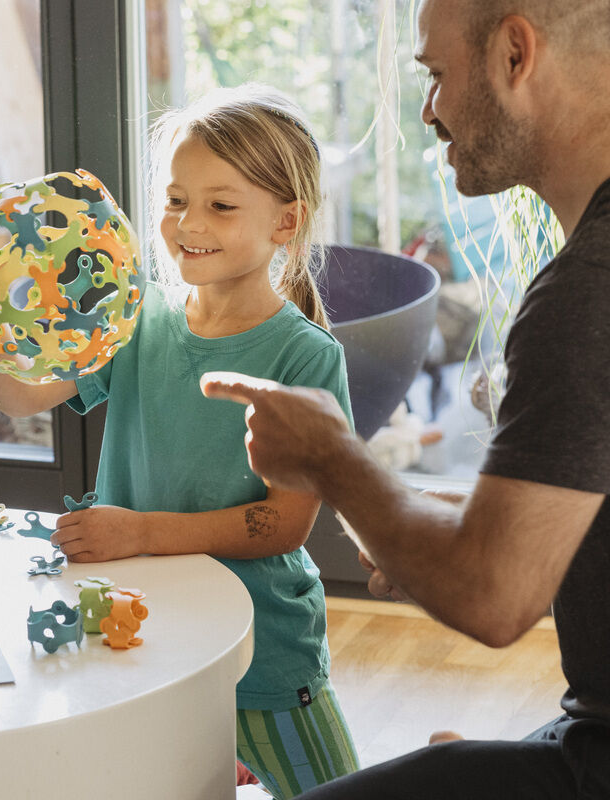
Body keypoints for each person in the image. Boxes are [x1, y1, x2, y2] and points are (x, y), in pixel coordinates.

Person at [201, 2, 610, 797]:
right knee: (451, 761)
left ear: (515, 54)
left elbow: (492, 597)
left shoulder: (586, 296)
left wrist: (332, 460)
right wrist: (458, 513)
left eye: (436, 75)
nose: (429, 109)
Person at [0, 84, 359, 799]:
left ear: (286, 221)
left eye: (221, 204)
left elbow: (284, 522)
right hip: (137, 631)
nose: (189, 222)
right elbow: (18, 395)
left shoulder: (305, 357)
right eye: (175, 199)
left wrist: (143, 532)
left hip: (266, 654)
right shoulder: (136, 316)